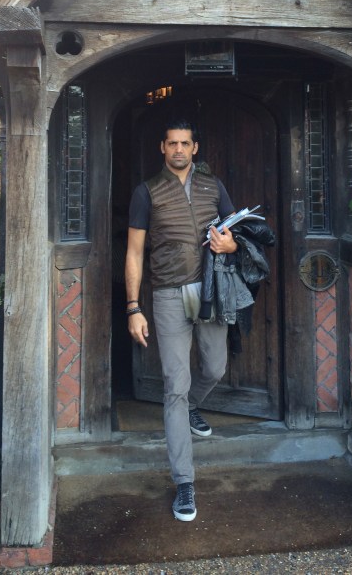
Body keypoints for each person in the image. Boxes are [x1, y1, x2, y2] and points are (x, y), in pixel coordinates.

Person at [125, 118, 237, 522]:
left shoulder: (214, 186)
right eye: (171, 143)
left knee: (215, 367)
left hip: (209, 290)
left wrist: (231, 242)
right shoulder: (147, 192)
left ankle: (192, 407)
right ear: (162, 147)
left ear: (195, 147)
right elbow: (135, 253)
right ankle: (184, 483)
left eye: (184, 143)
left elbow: (236, 233)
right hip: (169, 294)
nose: (177, 149)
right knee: (175, 383)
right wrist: (133, 307)